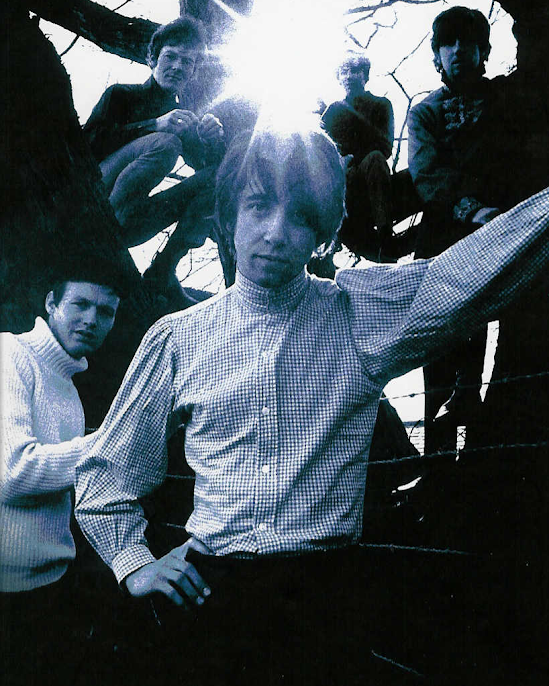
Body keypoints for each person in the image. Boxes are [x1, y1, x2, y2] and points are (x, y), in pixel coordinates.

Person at [74, 114, 548, 684]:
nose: (276, 233)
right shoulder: (178, 338)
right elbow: (107, 475)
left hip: (327, 597)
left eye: (300, 216)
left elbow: (470, 273)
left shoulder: (357, 313)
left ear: (323, 230)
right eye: (258, 206)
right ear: (229, 214)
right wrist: (135, 563)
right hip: (211, 595)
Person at [406, 0, 547, 449]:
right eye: (448, 44)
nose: (459, 51)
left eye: (469, 43)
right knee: (442, 359)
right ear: (436, 58)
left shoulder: (507, 96)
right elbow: (428, 175)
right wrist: (473, 211)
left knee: (507, 354)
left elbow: (542, 48)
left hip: (509, 238)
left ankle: (485, 451)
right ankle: (438, 461)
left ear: (485, 53)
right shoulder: (425, 112)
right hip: (447, 241)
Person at [0, 264, 123, 686]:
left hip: (49, 587)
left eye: (105, 312)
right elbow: (13, 473)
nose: (91, 320)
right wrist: (113, 441)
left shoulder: (69, 385)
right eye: (80, 304)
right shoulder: (9, 353)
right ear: (51, 303)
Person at [83, 16, 225, 248]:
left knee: (218, 176)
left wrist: (212, 140)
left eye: (187, 62)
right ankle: (105, 229)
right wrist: (154, 126)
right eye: (170, 56)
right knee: (167, 143)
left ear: (193, 72)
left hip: (132, 220)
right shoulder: (121, 95)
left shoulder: (183, 118)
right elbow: (87, 147)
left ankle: (166, 262)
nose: (177, 66)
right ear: (152, 59)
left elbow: (206, 169)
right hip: (92, 198)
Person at [321, 53, 396, 261]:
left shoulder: (381, 104)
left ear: (365, 75)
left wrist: (353, 156)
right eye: (343, 72)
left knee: (375, 158)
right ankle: (328, 243)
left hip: (371, 170)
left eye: (354, 71)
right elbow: (320, 149)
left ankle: (386, 235)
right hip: (343, 177)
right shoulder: (333, 110)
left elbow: (385, 146)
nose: (348, 76)